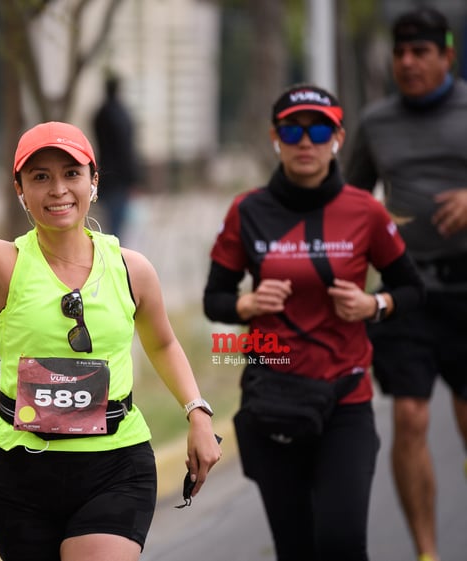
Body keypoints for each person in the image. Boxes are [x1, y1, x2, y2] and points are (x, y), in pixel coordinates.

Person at [0, 66, 222, 561]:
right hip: (20, 473)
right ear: (20, 190)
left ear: (94, 181)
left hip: (116, 466)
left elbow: (162, 342)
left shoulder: (133, 269)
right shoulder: (2, 264)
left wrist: (197, 411)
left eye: (71, 173)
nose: (58, 189)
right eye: (40, 177)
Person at [203, 84, 424, 561]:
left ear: (338, 138)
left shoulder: (365, 210)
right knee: (296, 548)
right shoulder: (247, 210)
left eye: (319, 129)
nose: (307, 141)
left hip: (345, 398)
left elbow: (410, 288)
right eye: (293, 130)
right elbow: (214, 300)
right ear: (275, 137)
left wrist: (374, 306)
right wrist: (247, 304)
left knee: (342, 543)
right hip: (274, 393)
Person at [344, 7, 467, 561]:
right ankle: (427, 553)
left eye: (421, 51)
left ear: (448, 55)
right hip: (407, 290)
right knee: (410, 415)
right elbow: (349, 197)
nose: (409, 62)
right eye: (400, 52)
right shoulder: (376, 123)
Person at [93, 74, 141, 240]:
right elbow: (126, 149)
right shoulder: (121, 114)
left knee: (111, 221)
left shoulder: (100, 113)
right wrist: (133, 178)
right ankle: (115, 259)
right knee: (116, 225)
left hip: (106, 174)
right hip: (119, 178)